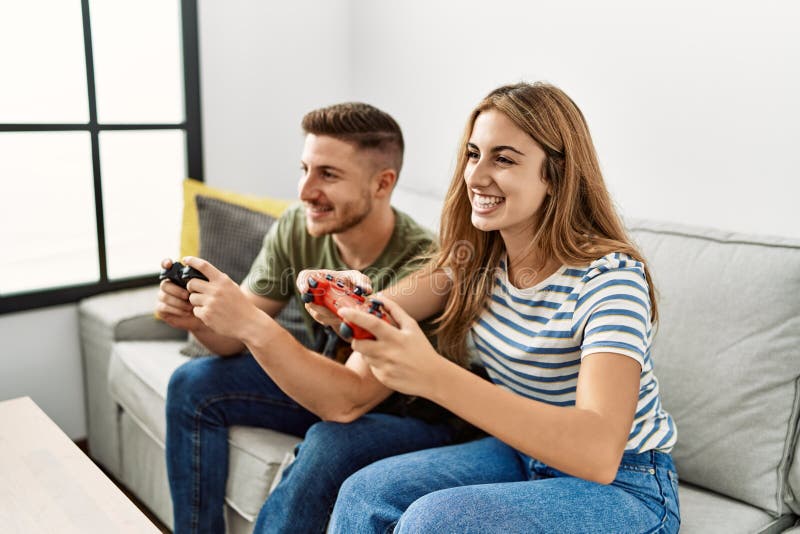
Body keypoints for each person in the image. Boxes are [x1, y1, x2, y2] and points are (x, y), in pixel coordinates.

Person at [309, 83, 680, 533]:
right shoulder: (476, 260)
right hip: (519, 452)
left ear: (555, 176)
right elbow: (377, 308)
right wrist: (332, 292)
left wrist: (433, 376)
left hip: (627, 485)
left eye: (503, 159)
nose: (477, 176)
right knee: (366, 492)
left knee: (437, 521)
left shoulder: (609, 279)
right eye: (472, 154)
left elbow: (598, 453)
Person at [157, 103, 464, 534]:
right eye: (305, 169)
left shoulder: (422, 266)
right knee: (192, 383)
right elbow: (229, 340)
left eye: (328, 175)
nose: (305, 191)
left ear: (383, 183)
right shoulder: (297, 227)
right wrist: (199, 316)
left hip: (411, 415)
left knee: (330, 443)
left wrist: (247, 322)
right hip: (332, 382)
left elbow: (348, 402)